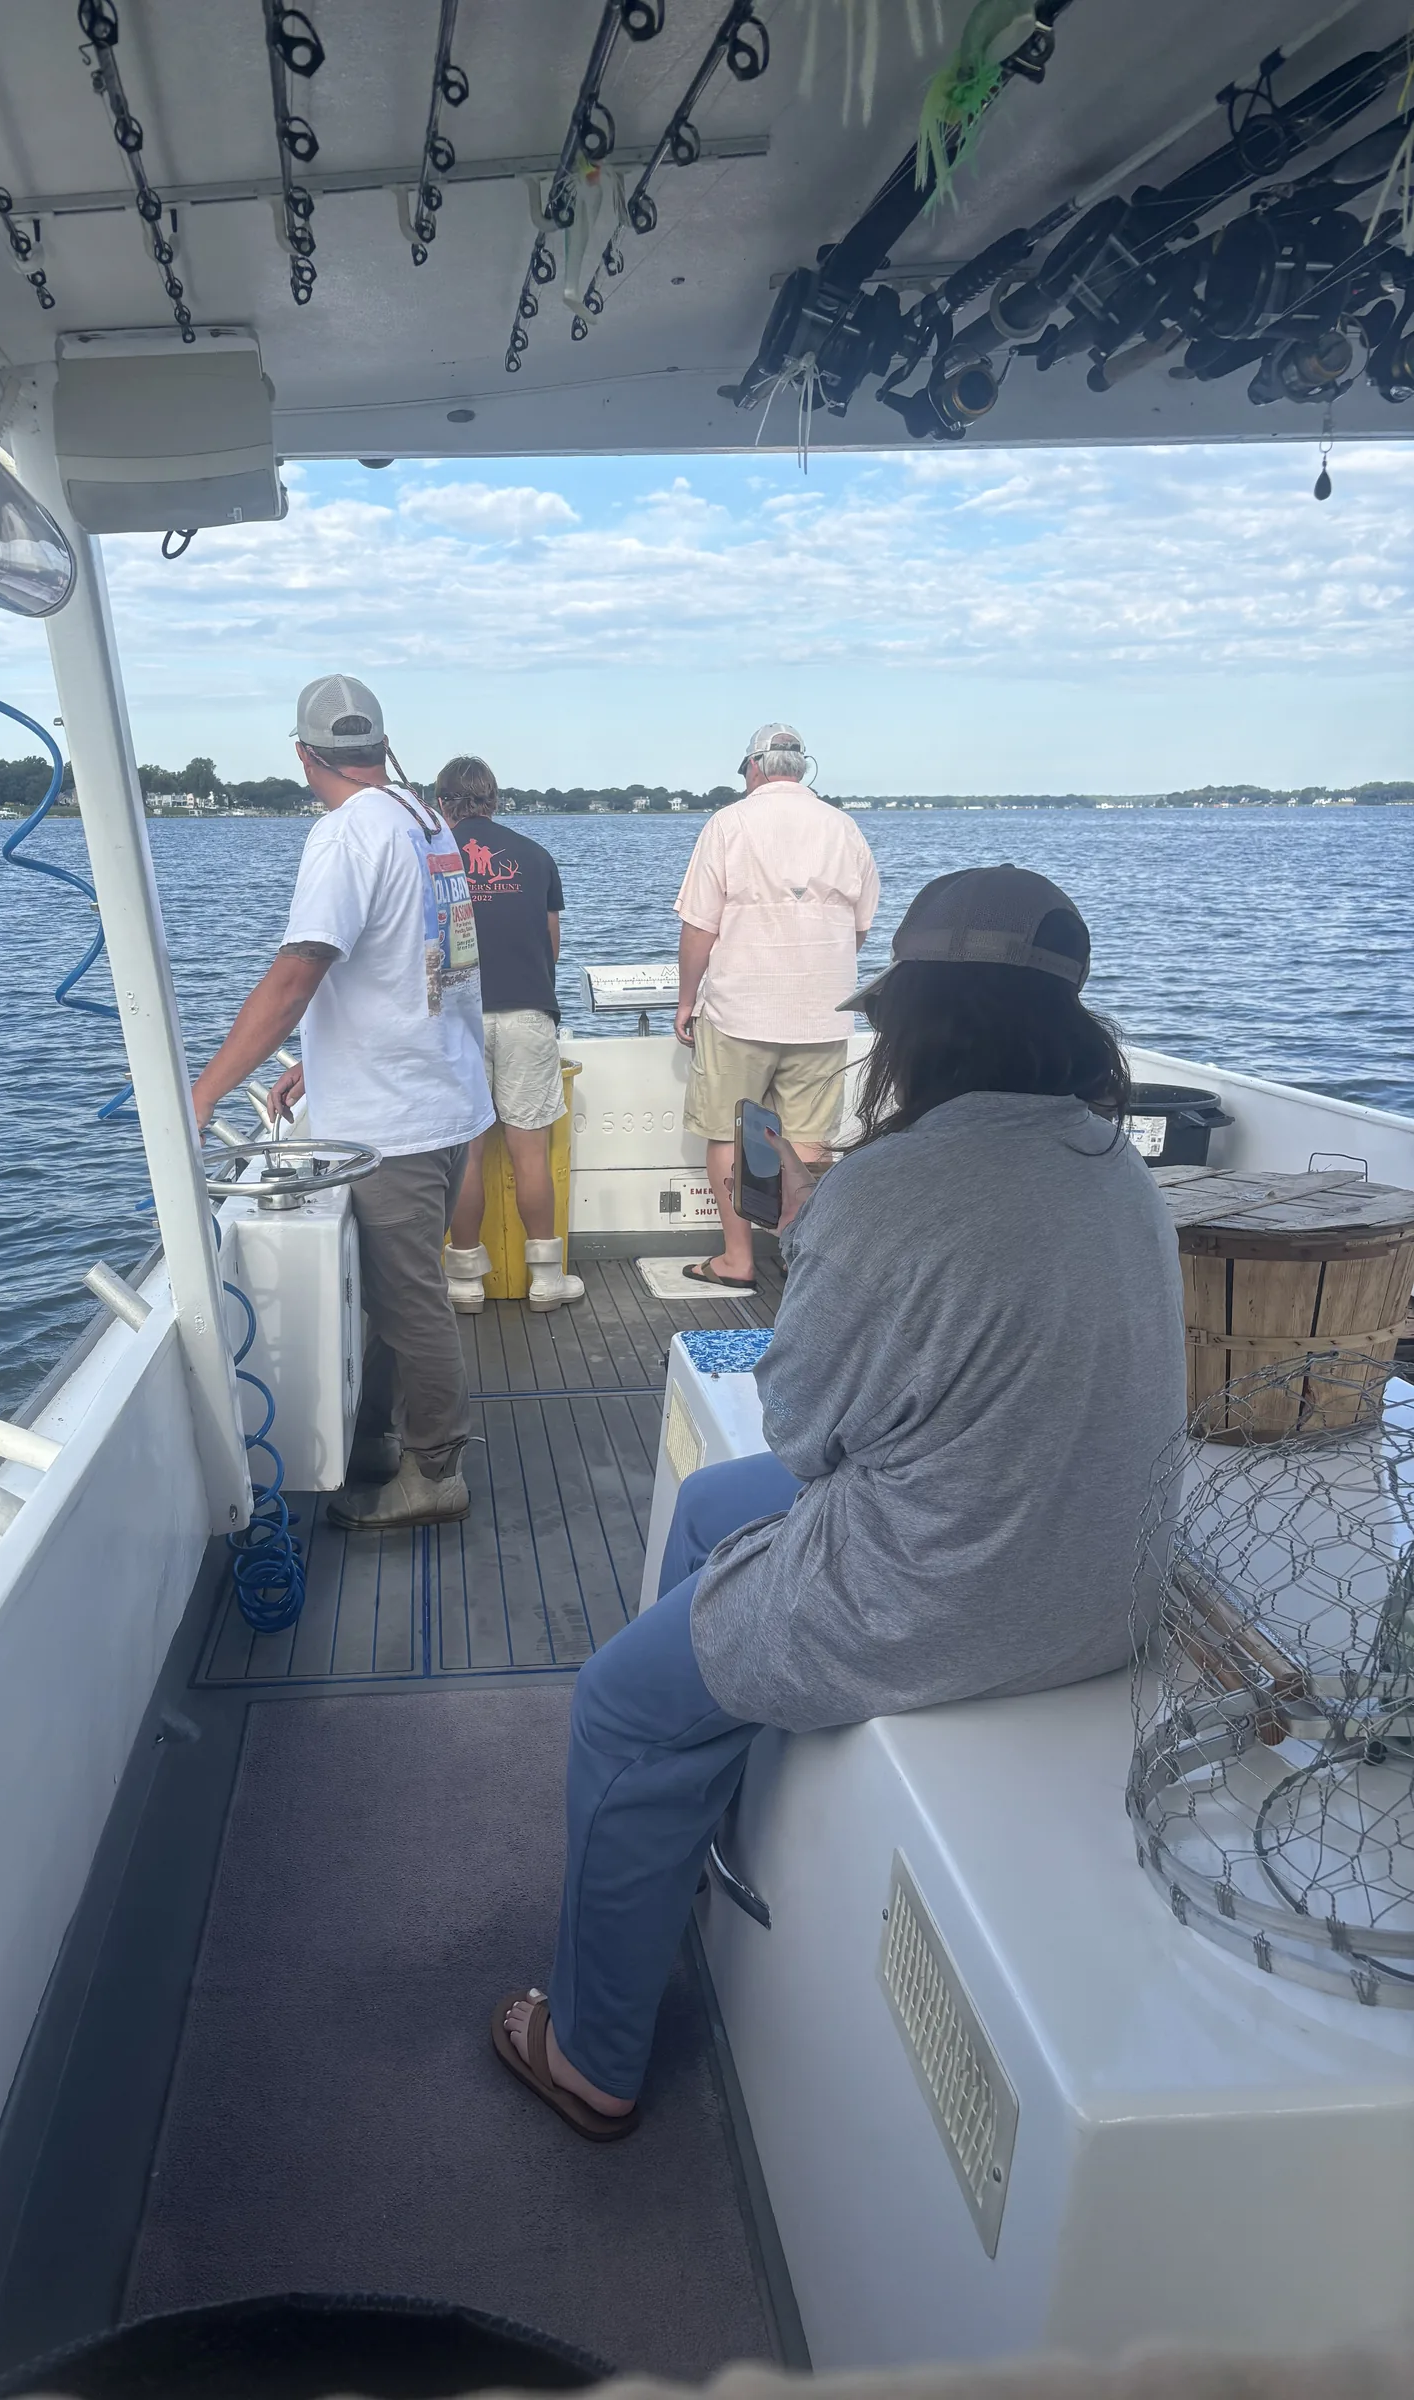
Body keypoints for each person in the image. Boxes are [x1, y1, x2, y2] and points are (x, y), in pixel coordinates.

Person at [491, 866, 1186, 2139]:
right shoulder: (1117, 1170)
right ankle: (675, 1839)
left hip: (953, 1599)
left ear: (915, 1020)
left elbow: (808, 1434)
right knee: (712, 1515)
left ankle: (591, 2057)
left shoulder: (892, 1185)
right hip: (1105, 1581)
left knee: (620, 1710)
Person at [189, 674, 493, 1532]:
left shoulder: (344, 835)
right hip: (441, 1096)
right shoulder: (425, 823)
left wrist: (199, 1096)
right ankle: (374, 1448)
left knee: (411, 1303)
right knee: (401, 1297)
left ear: (303, 755)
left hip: (392, 1122)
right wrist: (318, 1072)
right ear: (381, 747)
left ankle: (435, 1471)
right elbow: (414, 969)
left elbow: (296, 977)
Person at [672, 723, 880, 1293]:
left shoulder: (728, 824)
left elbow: (698, 927)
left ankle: (736, 1259)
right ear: (802, 768)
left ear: (755, 767)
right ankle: (798, 1256)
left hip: (739, 1007)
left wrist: (686, 999)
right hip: (823, 1010)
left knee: (726, 1128)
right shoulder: (845, 828)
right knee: (810, 1139)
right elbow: (858, 928)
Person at [433, 755, 583, 1315]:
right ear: (494, 799)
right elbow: (551, 944)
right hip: (527, 1014)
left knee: (466, 1156)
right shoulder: (536, 856)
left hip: (457, 1019)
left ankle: (465, 1282)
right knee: (530, 1153)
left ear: (443, 802)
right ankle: (546, 1278)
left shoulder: (432, 858)